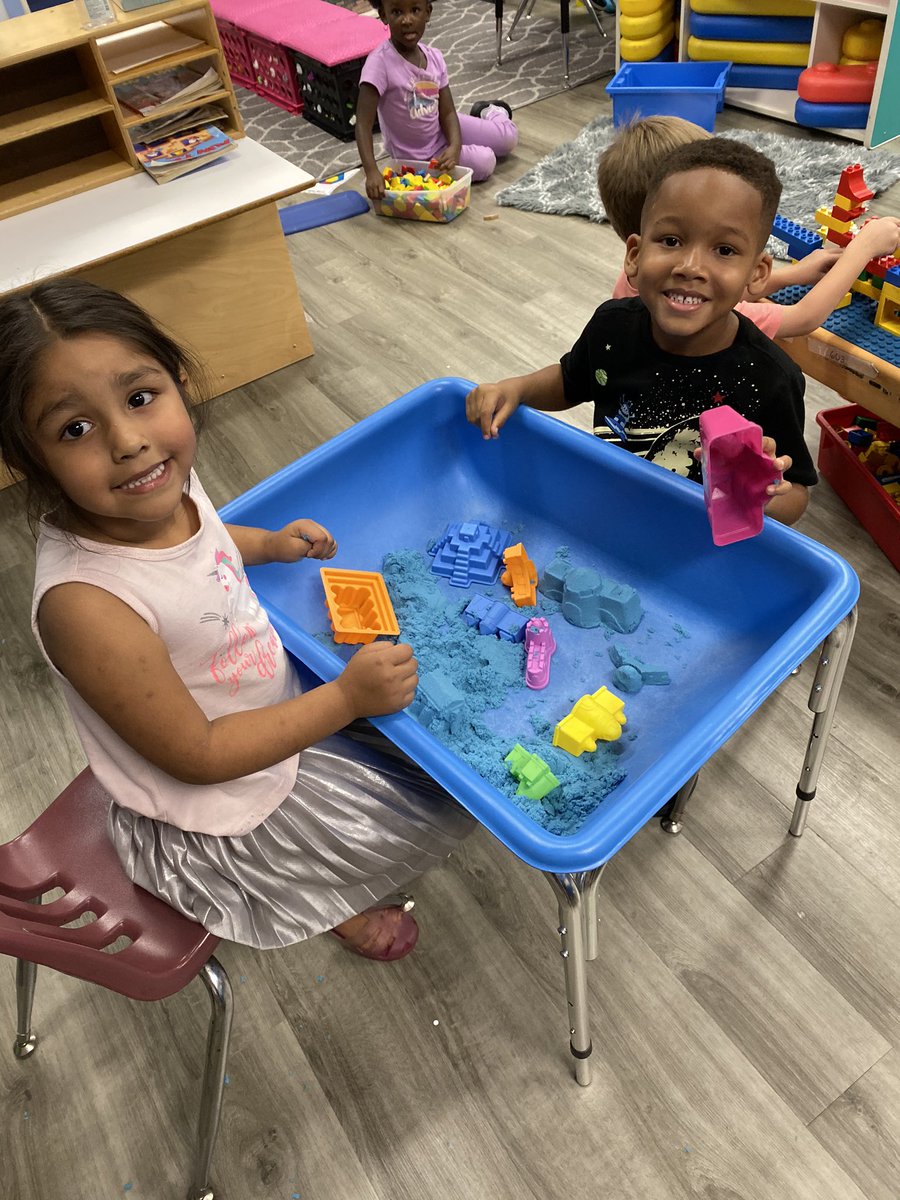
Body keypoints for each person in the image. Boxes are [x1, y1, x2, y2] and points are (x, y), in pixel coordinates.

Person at [0, 280, 475, 960]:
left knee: (438, 757)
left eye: (139, 398)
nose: (129, 441)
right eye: (75, 429)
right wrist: (344, 699)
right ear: (29, 457)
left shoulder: (159, 486)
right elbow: (199, 758)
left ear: (178, 379)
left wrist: (270, 544)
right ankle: (325, 900)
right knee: (423, 811)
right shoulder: (87, 605)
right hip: (218, 811)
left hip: (263, 711)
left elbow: (206, 538)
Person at [466, 137, 821, 526]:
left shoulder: (769, 377)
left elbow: (796, 496)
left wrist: (760, 493)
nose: (690, 266)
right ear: (634, 255)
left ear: (757, 274)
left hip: (698, 538)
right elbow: (571, 381)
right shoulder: (611, 327)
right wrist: (516, 388)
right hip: (613, 509)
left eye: (724, 250)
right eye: (671, 241)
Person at [596, 115, 900, 340]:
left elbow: (711, 289)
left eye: (722, 250)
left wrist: (791, 276)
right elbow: (804, 318)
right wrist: (864, 248)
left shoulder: (639, 274)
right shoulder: (711, 326)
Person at [356, 0, 518, 200]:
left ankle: (491, 112)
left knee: (508, 138)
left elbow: (448, 112)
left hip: (444, 125)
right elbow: (362, 124)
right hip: (421, 159)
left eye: (415, 10)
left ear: (428, 12)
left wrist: (455, 146)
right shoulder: (379, 64)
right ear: (383, 15)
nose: (407, 20)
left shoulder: (435, 57)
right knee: (486, 161)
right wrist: (371, 171)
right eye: (397, 12)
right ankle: (479, 128)